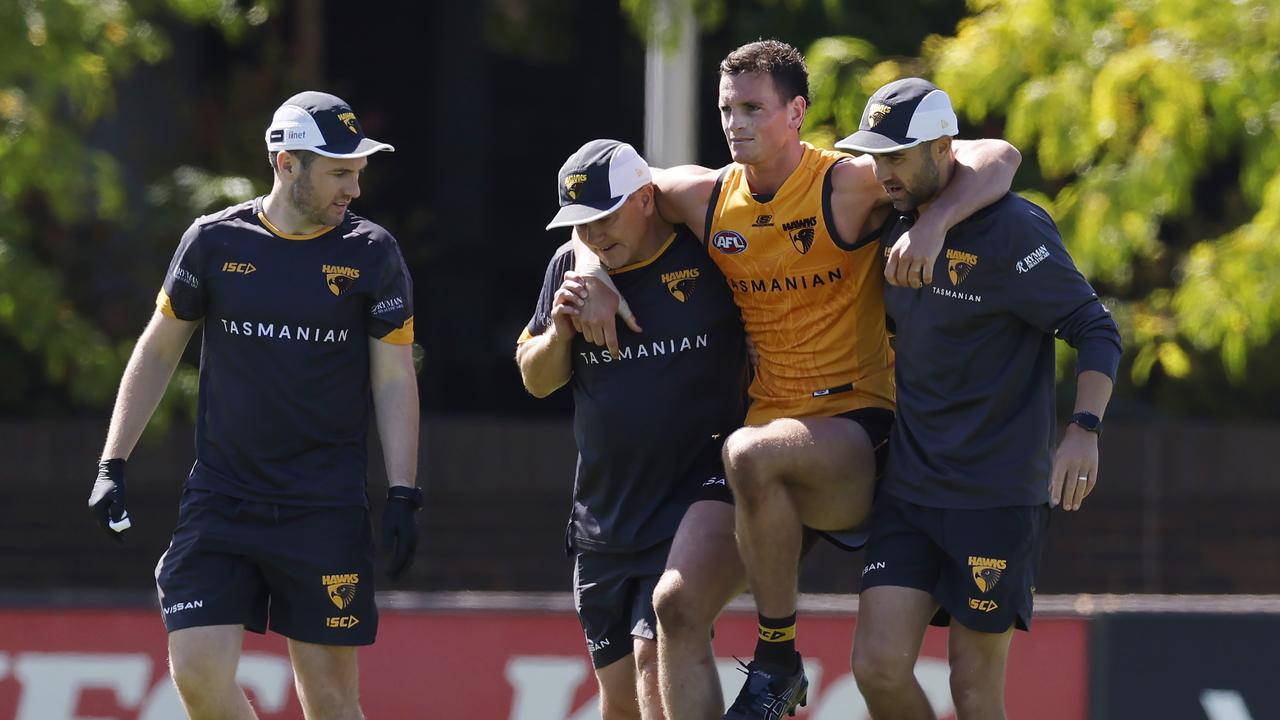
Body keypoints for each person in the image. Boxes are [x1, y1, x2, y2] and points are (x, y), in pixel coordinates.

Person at [570, 40, 1021, 720]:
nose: (735, 123)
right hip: (768, 445)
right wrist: (592, 274)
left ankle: (777, 656)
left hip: (858, 433)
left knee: (753, 453)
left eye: (753, 107)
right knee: (676, 604)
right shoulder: (707, 195)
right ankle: (772, 664)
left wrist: (934, 225)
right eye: (727, 108)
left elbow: (999, 156)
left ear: (797, 112)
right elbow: (598, 199)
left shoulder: (845, 184)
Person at [87, 91, 422, 720]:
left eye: (357, 172)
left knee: (330, 702)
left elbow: (394, 380)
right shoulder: (212, 241)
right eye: (339, 172)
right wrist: (113, 461)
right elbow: (158, 352)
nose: (353, 189)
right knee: (196, 673)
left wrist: (404, 491)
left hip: (323, 506)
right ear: (286, 163)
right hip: (222, 500)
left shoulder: (373, 253)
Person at [836, 78, 1122, 719]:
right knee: (876, 668)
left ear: (943, 149)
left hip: (996, 499)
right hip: (909, 491)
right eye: (874, 157)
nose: (882, 173)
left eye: (897, 157)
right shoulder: (894, 221)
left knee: (973, 690)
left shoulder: (1015, 230)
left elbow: (1096, 328)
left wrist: (1084, 428)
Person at [516, 139, 749, 720]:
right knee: (620, 702)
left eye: (605, 216)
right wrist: (562, 332)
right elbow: (536, 379)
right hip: (604, 518)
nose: (593, 234)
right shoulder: (570, 268)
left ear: (647, 199)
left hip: (695, 502)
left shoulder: (706, 251)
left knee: (655, 654)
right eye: (581, 223)